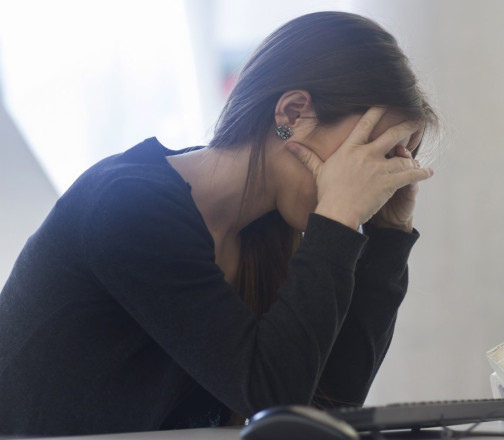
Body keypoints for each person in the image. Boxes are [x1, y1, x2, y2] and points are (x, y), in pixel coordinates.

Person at [0, 11, 437, 436]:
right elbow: (274, 401)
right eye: (373, 150)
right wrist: (338, 216)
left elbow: (329, 406)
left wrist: (389, 235)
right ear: (292, 115)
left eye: (398, 157)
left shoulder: (267, 233)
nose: (379, 178)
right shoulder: (130, 206)